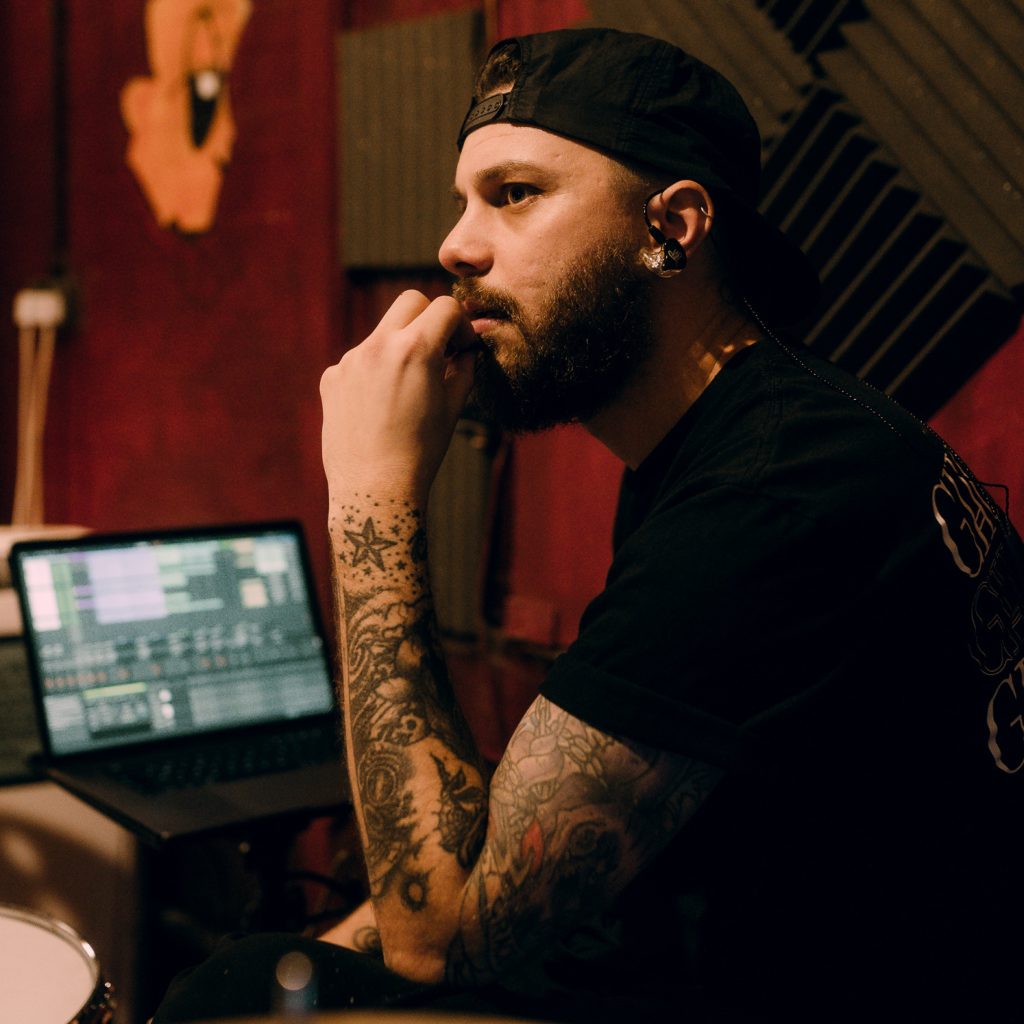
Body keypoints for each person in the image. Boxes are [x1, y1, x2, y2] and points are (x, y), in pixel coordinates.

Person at [154, 28, 1024, 1022]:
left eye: (514, 193)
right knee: (244, 980)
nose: (454, 246)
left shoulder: (769, 500)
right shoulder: (756, 436)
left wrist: (370, 492)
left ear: (673, 227)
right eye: (462, 200)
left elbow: (438, 940)